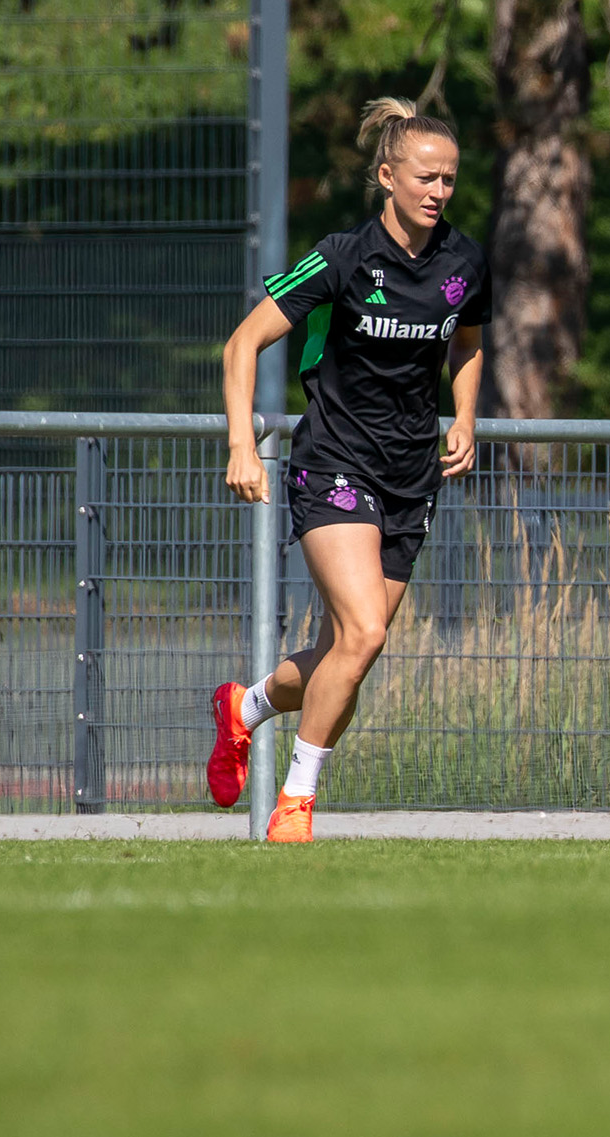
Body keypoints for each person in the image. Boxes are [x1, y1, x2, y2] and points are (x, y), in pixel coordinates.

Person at [208, 98, 488, 843]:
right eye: (426, 177)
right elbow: (241, 345)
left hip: (410, 475)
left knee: (346, 654)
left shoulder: (465, 263)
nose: (438, 191)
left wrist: (464, 416)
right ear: (387, 175)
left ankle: (246, 707)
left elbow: (467, 343)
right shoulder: (340, 257)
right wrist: (242, 442)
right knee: (363, 634)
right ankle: (295, 806)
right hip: (333, 461)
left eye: (450, 180)